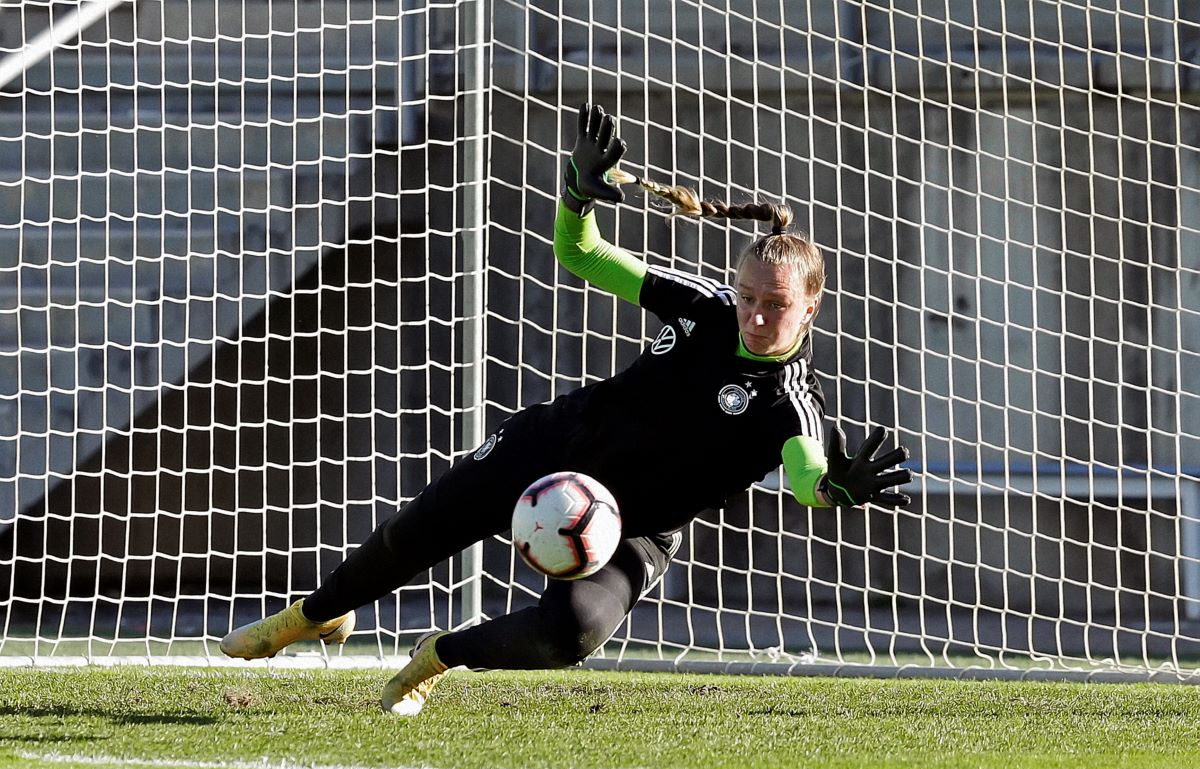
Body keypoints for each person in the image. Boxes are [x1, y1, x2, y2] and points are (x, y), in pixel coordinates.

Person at [220, 103, 913, 715]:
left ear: (811, 307)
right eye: (748, 297)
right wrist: (577, 196)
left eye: (777, 305)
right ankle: (313, 615)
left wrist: (833, 490)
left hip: (636, 528)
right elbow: (581, 255)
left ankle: (438, 656)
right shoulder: (702, 307)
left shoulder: (791, 402)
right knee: (419, 534)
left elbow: (805, 474)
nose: (756, 316)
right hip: (557, 451)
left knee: (570, 637)